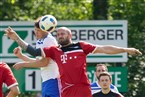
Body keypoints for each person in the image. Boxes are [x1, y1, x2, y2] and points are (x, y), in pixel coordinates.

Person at [4, 27, 142, 97]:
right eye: (58, 34)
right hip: (67, 89)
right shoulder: (54, 50)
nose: (60, 36)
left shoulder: (80, 46)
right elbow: (34, 52)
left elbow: (104, 49)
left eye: (63, 34)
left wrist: (125, 49)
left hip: (83, 87)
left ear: (70, 35)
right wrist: (17, 38)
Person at [10, 16, 60, 97]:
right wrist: (21, 56)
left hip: (53, 80)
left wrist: (23, 64)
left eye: (38, 30)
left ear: (45, 30)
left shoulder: (49, 40)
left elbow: (44, 63)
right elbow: (38, 61)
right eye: (35, 30)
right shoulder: (40, 41)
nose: (36, 32)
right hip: (46, 81)